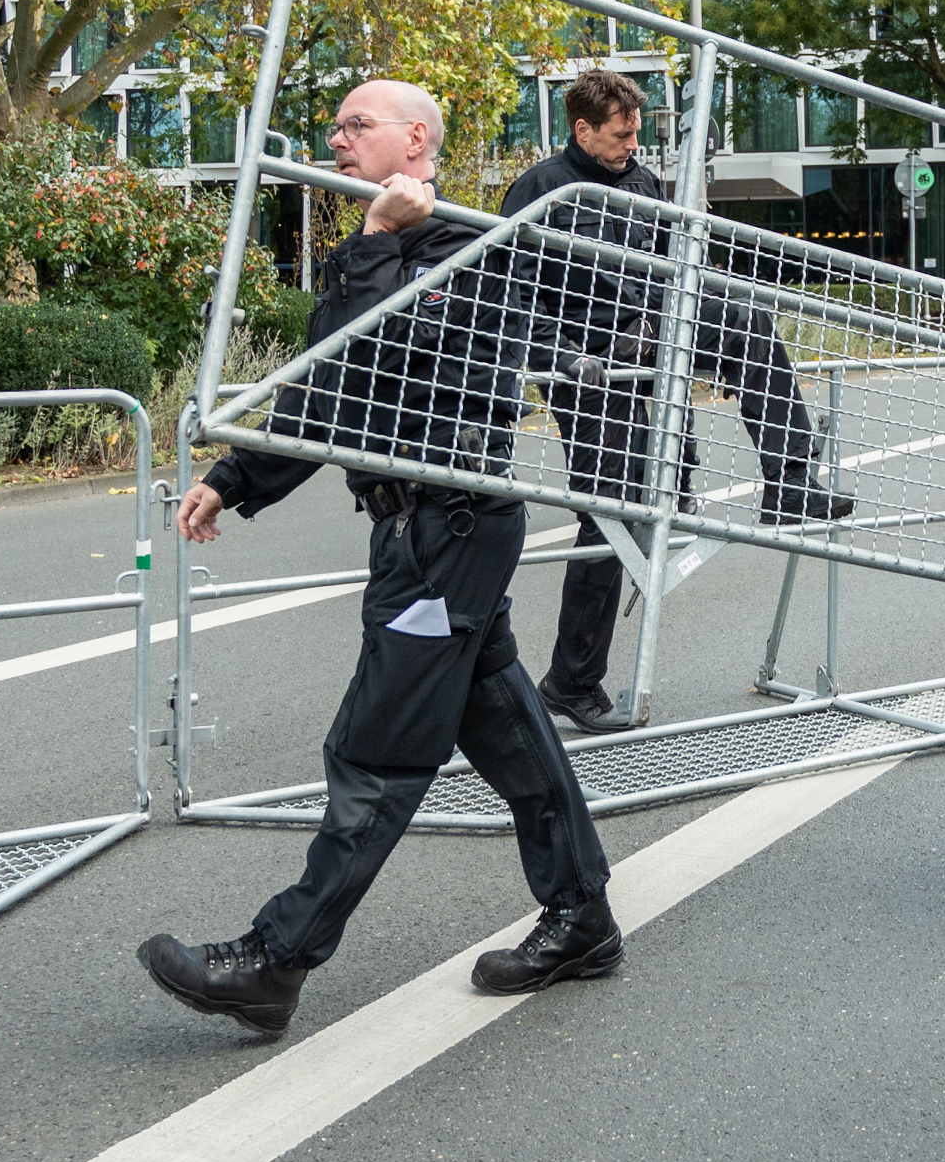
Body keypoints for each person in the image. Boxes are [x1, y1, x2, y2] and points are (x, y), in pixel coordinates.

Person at [137, 79, 617, 1035]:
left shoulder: (474, 243)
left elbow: (389, 351)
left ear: (417, 139)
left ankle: (276, 959)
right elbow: (333, 384)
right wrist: (236, 478)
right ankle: (584, 917)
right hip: (420, 525)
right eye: (339, 124)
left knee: (376, 750)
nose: (336, 137)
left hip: (452, 525)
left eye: (358, 124)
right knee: (510, 732)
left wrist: (371, 245)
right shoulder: (383, 246)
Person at [502, 70, 852, 734]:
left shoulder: (640, 182)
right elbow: (511, 295)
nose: (634, 145)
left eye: (638, 132)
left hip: (650, 337)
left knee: (743, 317)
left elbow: (675, 268)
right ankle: (572, 681)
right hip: (587, 365)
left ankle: (790, 478)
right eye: (621, 134)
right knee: (612, 515)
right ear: (582, 129)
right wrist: (562, 359)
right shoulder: (539, 190)